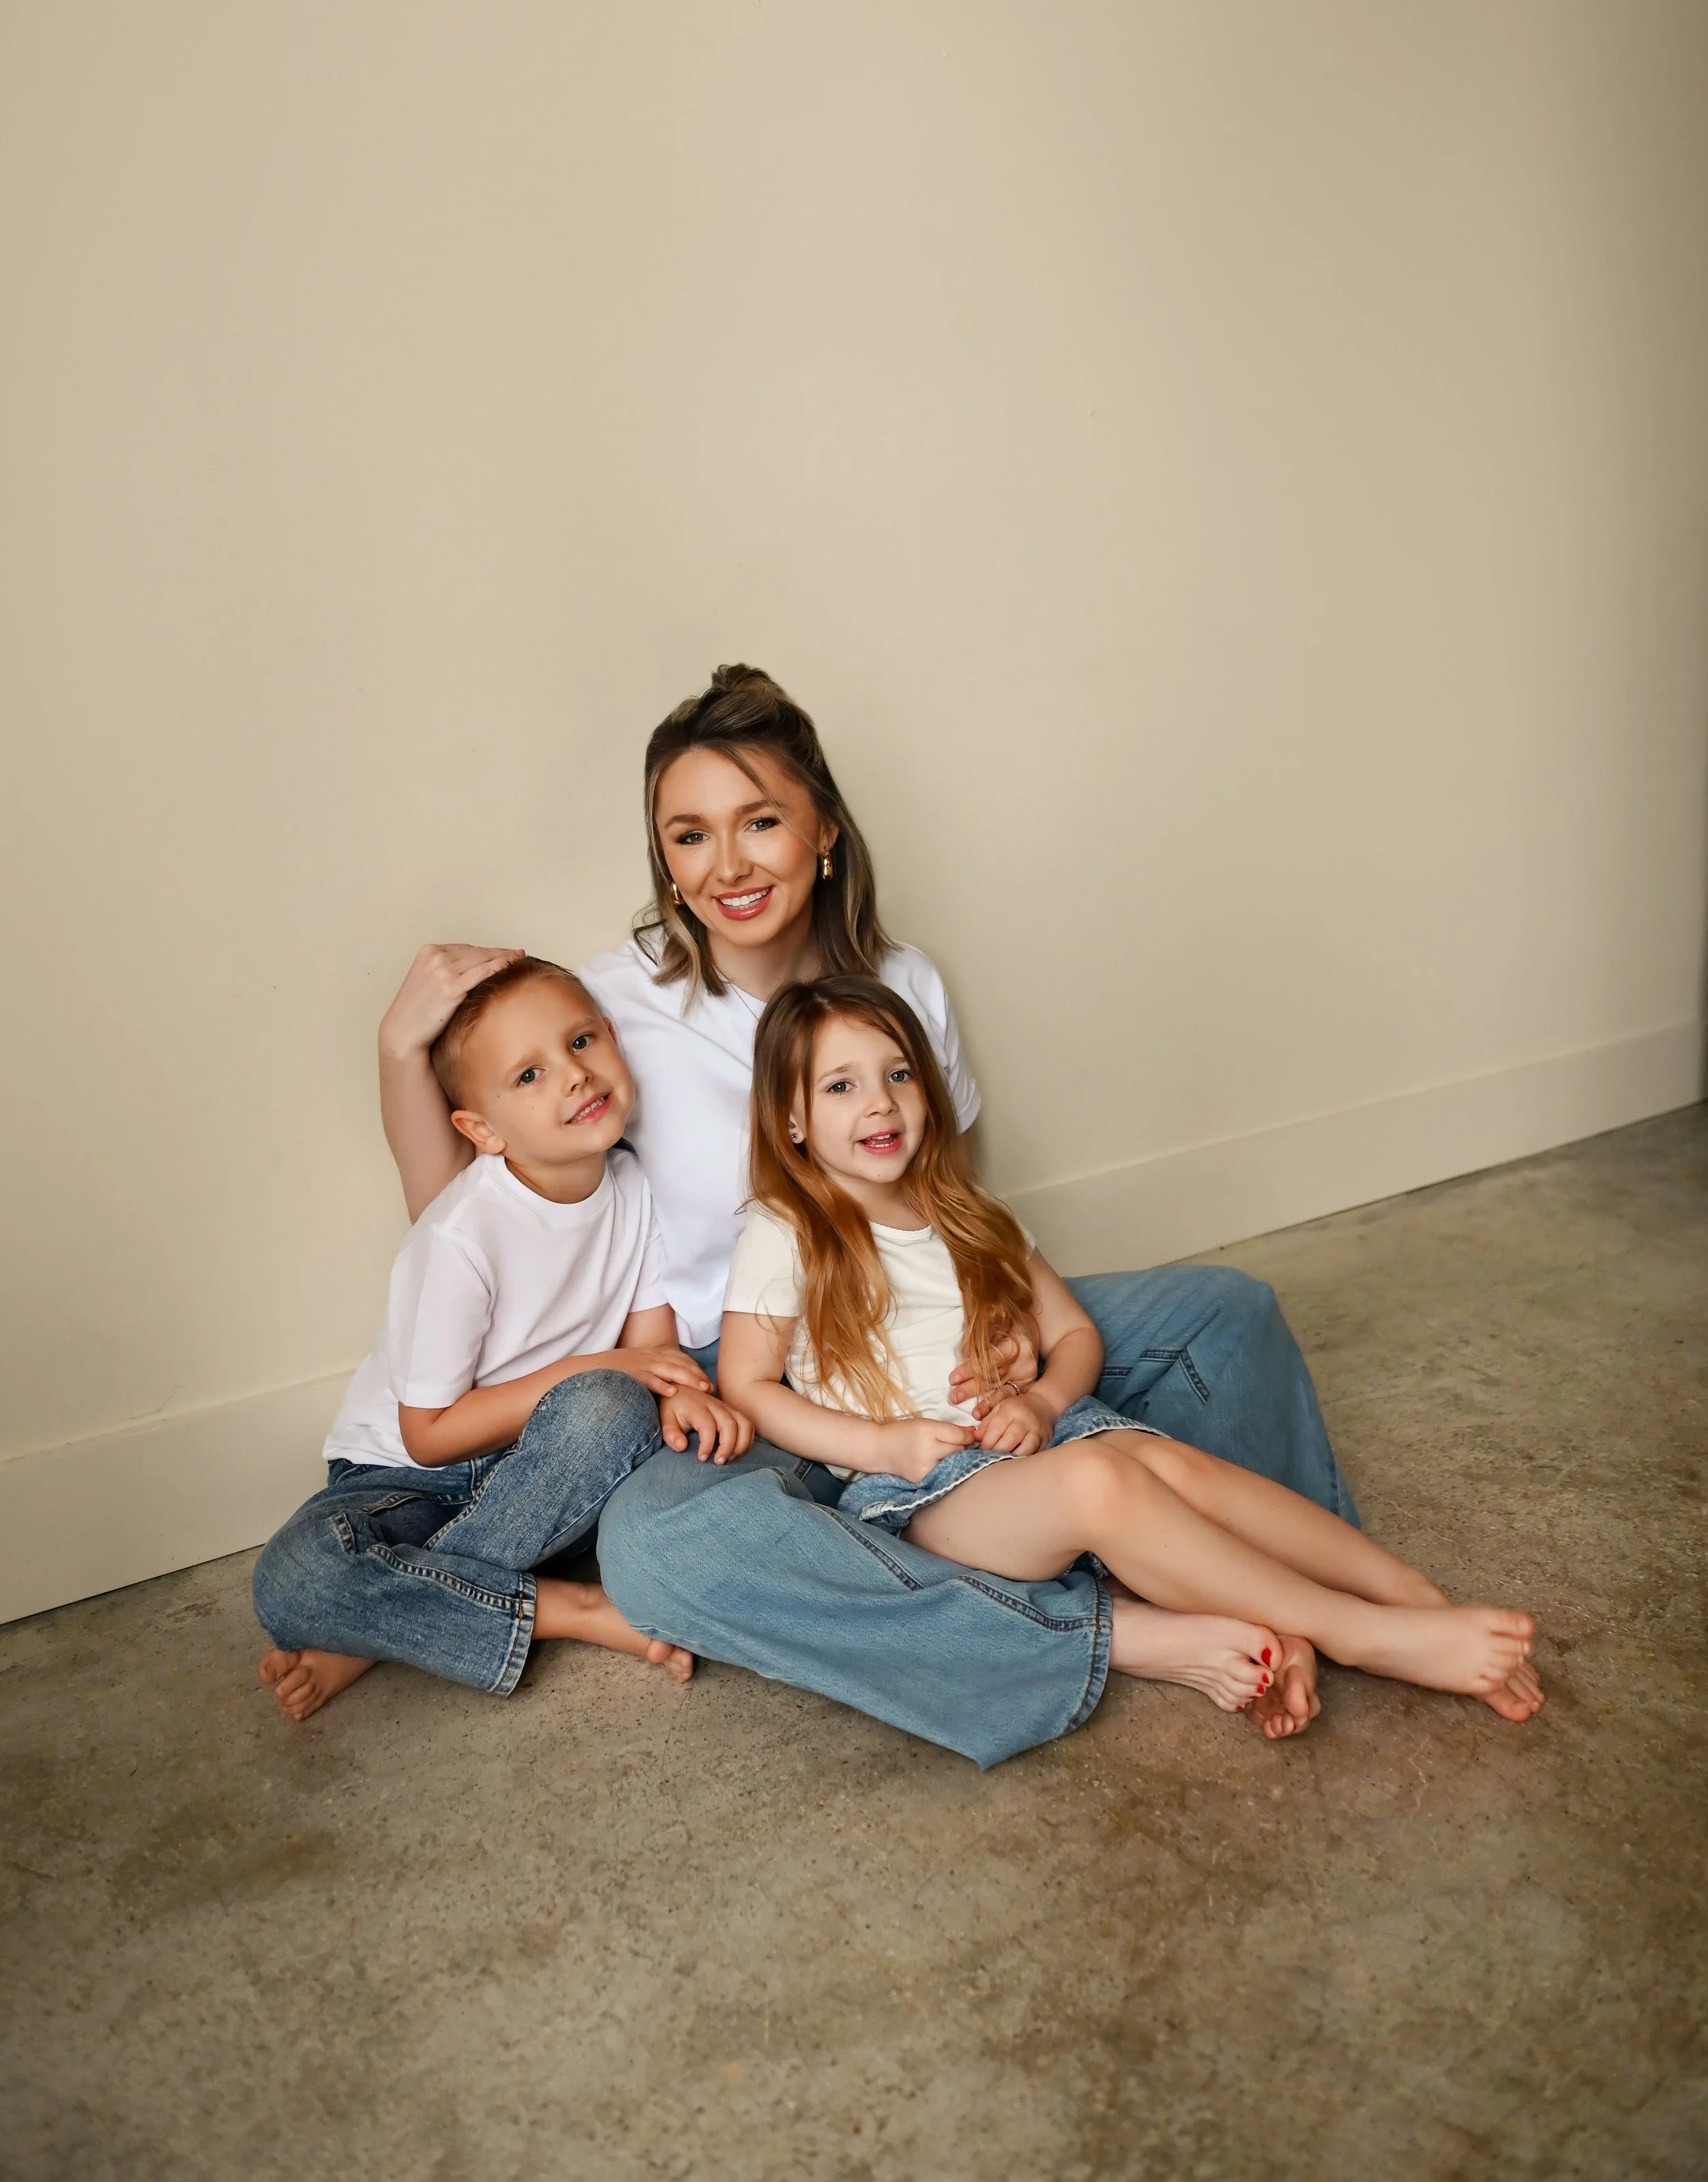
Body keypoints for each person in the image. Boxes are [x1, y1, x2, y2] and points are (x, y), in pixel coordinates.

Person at [375, 666, 1359, 1767]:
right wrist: (400, 1053)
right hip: (744, 1383)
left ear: (826, 832)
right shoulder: (612, 1008)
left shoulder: (905, 983)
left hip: (924, 1349)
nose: (729, 864)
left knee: (1223, 1314)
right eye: (689, 836)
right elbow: (474, 1213)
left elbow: (950, 1193)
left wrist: (1001, 1323)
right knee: (659, 1552)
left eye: (761, 821)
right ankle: (1111, 1629)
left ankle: (1288, 1592)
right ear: (664, 861)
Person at [718, 975, 1544, 1735]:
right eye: (841, 1085)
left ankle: (1411, 1596)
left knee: (1178, 1469)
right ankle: (1363, 1635)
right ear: (791, 1119)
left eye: (898, 1075)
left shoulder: (966, 1211)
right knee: (1103, 1481)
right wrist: (880, 1445)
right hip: (921, 1495)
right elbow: (746, 1383)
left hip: (1042, 1441)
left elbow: (1075, 1334)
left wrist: (1042, 1403)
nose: (880, 1103)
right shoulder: (787, 1228)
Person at [253, 958, 749, 1720]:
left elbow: (650, 1354)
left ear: (614, 1039)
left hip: (540, 1463)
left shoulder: (634, 1187)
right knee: (294, 1580)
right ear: (480, 1129)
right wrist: (605, 1363)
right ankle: (569, 1608)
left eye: (583, 1041)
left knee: (614, 1407)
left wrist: (679, 1397)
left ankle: (391, 1625)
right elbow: (429, 1433)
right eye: (529, 1075)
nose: (574, 1077)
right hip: (404, 1477)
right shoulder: (462, 1234)